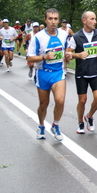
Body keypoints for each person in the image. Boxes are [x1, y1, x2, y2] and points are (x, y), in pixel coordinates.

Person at [27, 8, 69, 141]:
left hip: (58, 73)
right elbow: (29, 58)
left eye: (56, 19)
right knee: (44, 104)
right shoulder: (38, 37)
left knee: (60, 100)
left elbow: (67, 49)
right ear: (45, 20)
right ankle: (40, 125)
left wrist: (67, 54)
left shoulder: (63, 34)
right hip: (43, 73)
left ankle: (55, 125)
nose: (53, 22)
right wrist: (44, 57)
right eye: (50, 19)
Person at [67, 11, 97, 134]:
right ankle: (80, 123)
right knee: (82, 100)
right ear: (84, 21)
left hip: (96, 71)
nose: (95, 22)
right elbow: (68, 55)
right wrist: (78, 55)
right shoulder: (76, 37)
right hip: (82, 73)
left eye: (95, 19)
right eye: (92, 19)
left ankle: (89, 116)